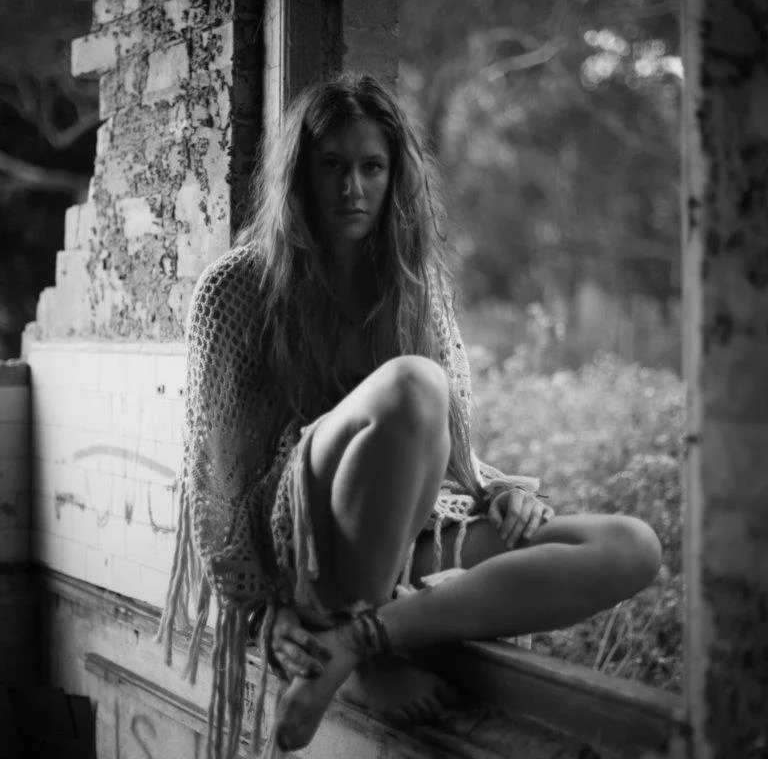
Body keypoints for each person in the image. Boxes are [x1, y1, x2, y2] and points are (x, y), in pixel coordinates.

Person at [158, 74, 662, 759]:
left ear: (396, 177)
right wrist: (268, 605)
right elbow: (216, 489)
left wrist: (500, 489)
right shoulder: (236, 291)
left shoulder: (416, 286)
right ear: (300, 174)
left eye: (372, 167)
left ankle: (361, 642)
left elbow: (448, 451)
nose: (351, 188)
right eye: (331, 166)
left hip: (406, 538)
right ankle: (363, 656)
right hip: (307, 548)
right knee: (415, 383)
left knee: (630, 546)